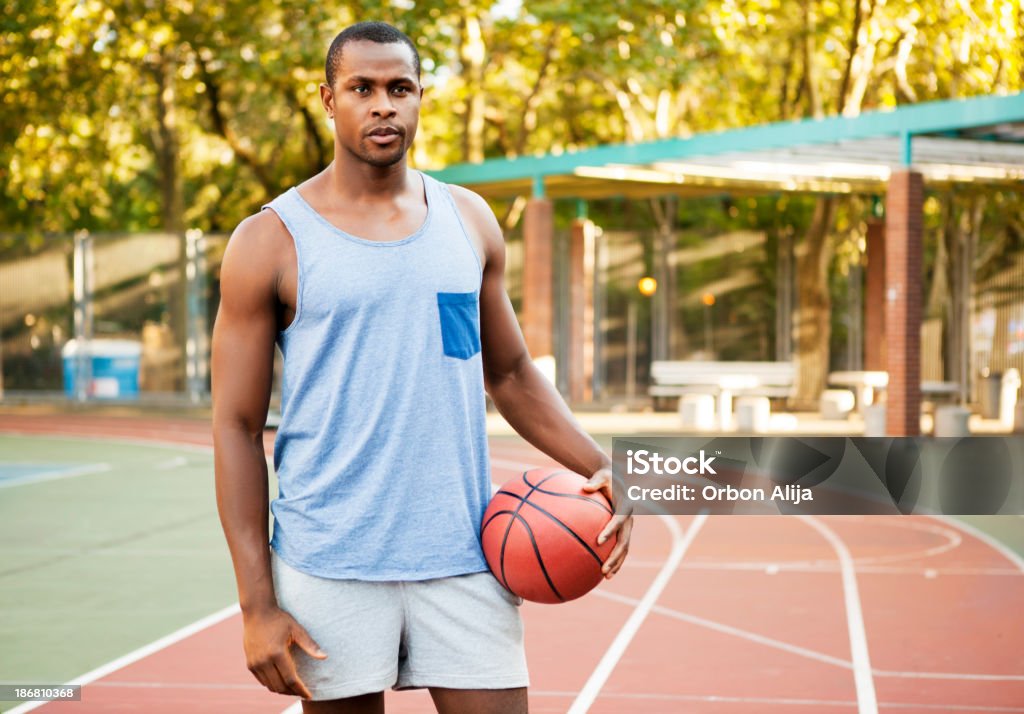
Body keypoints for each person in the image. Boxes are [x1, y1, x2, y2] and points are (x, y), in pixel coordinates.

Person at [211, 21, 632, 714]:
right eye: (363, 89)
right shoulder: (269, 240)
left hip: (465, 551)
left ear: (420, 98)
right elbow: (234, 426)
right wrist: (256, 602)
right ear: (328, 98)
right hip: (330, 558)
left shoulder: (468, 220)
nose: (383, 105)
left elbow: (511, 373)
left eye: (398, 88)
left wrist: (601, 463)